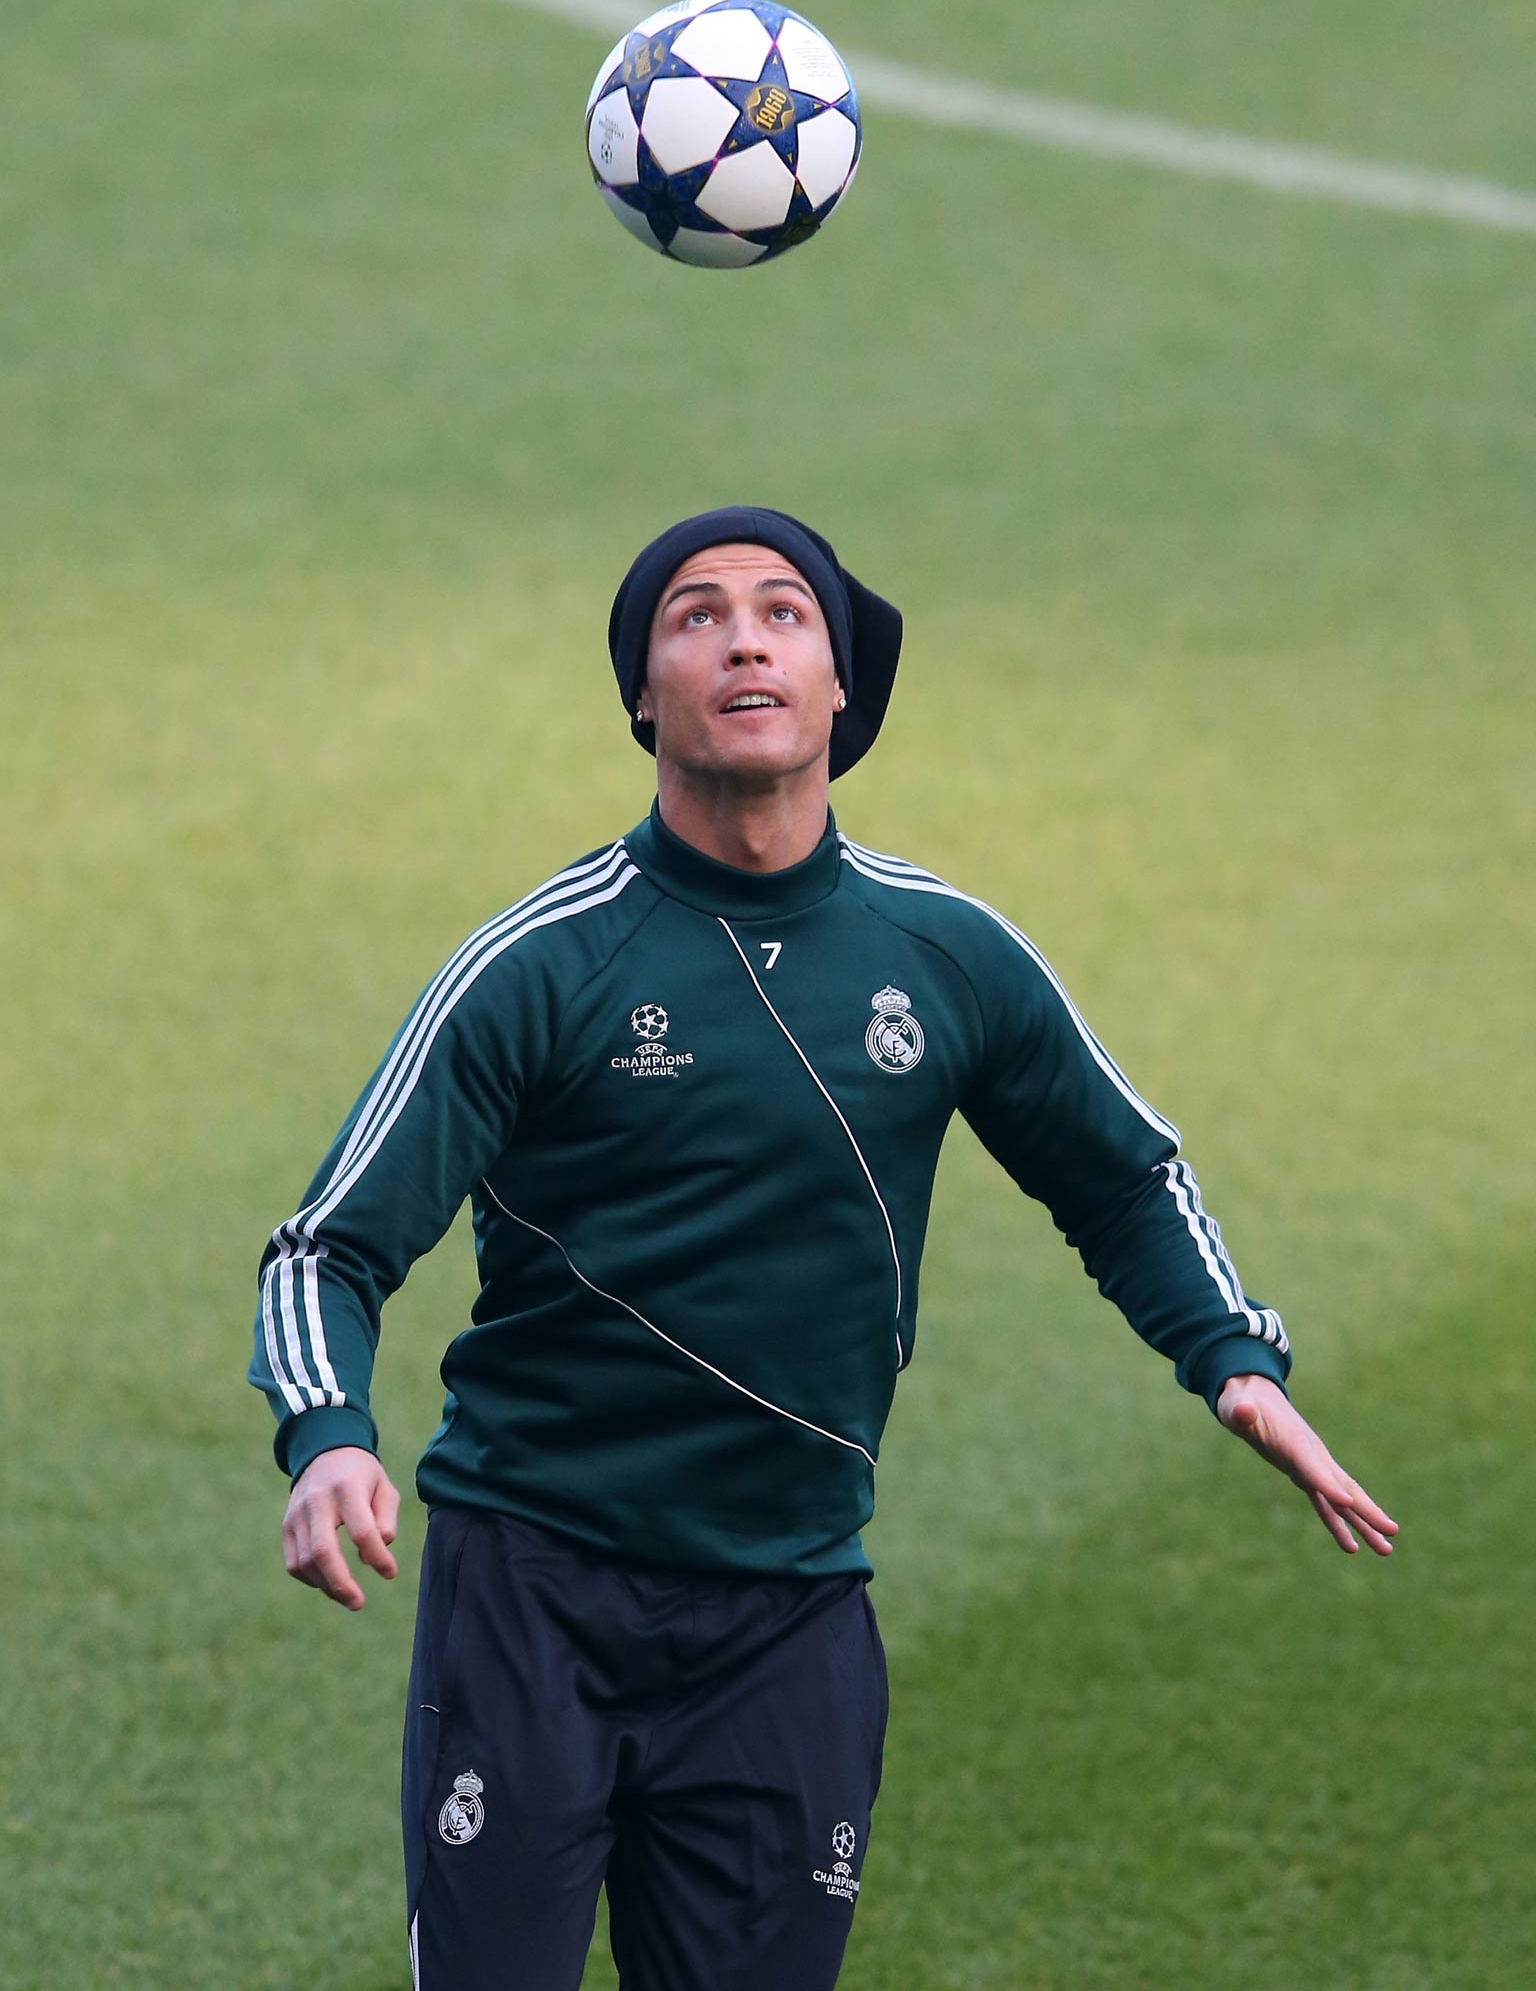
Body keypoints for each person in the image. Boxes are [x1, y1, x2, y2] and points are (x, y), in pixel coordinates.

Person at [251, 505, 1397, 1991]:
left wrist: (1230, 1359)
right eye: (697, 615)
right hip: (533, 1592)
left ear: (841, 684)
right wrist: (329, 1434)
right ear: (641, 695)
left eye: (785, 613)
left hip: (787, 1612)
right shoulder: (543, 963)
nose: (743, 636)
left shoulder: (945, 954)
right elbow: (326, 1248)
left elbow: (1122, 1176)